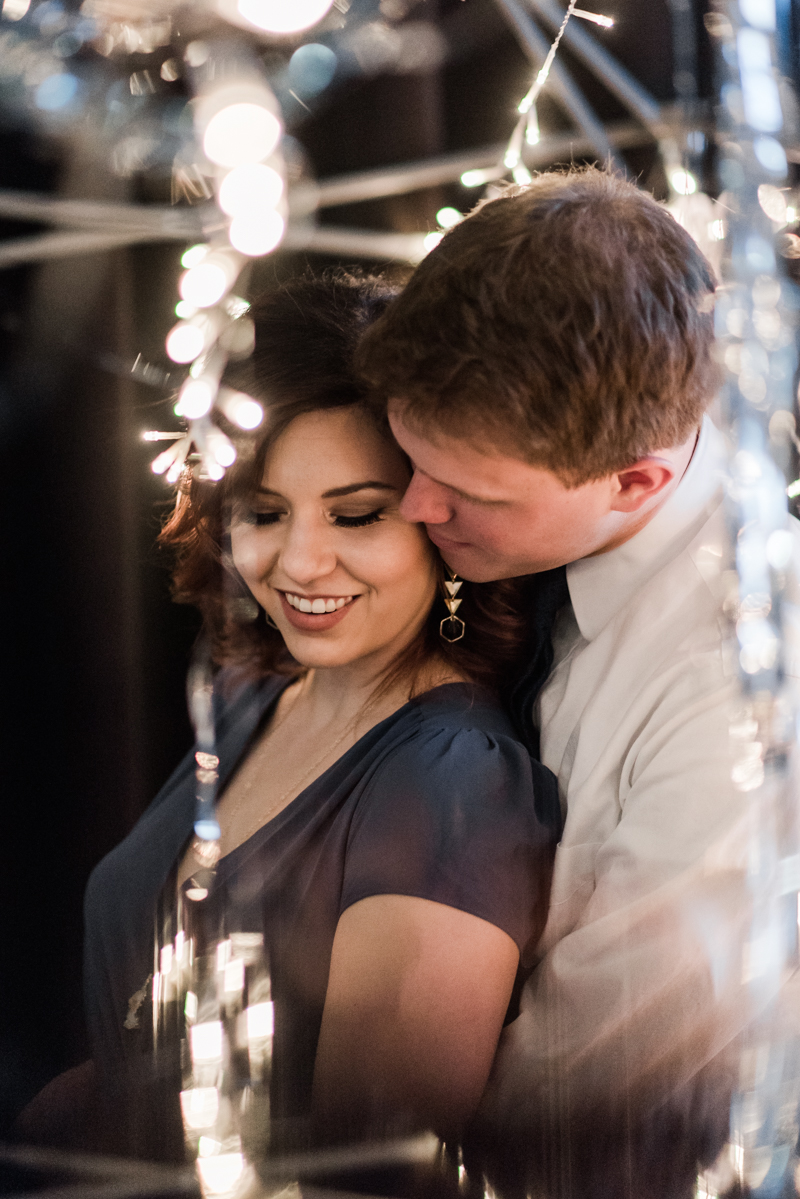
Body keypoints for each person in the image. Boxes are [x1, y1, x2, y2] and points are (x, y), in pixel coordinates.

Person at [80, 273, 561, 1164]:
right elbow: (143, 1050)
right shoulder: (250, 693)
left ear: (439, 521)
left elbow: (369, 1165)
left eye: (357, 514)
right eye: (264, 512)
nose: (300, 562)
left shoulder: (455, 779)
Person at [357, 167, 761, 1195]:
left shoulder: (746, 681)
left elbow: (600, 1091)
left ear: (637, 479)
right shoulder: (518, 559)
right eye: (409, 456)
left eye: (466, 491)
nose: (412, 506)